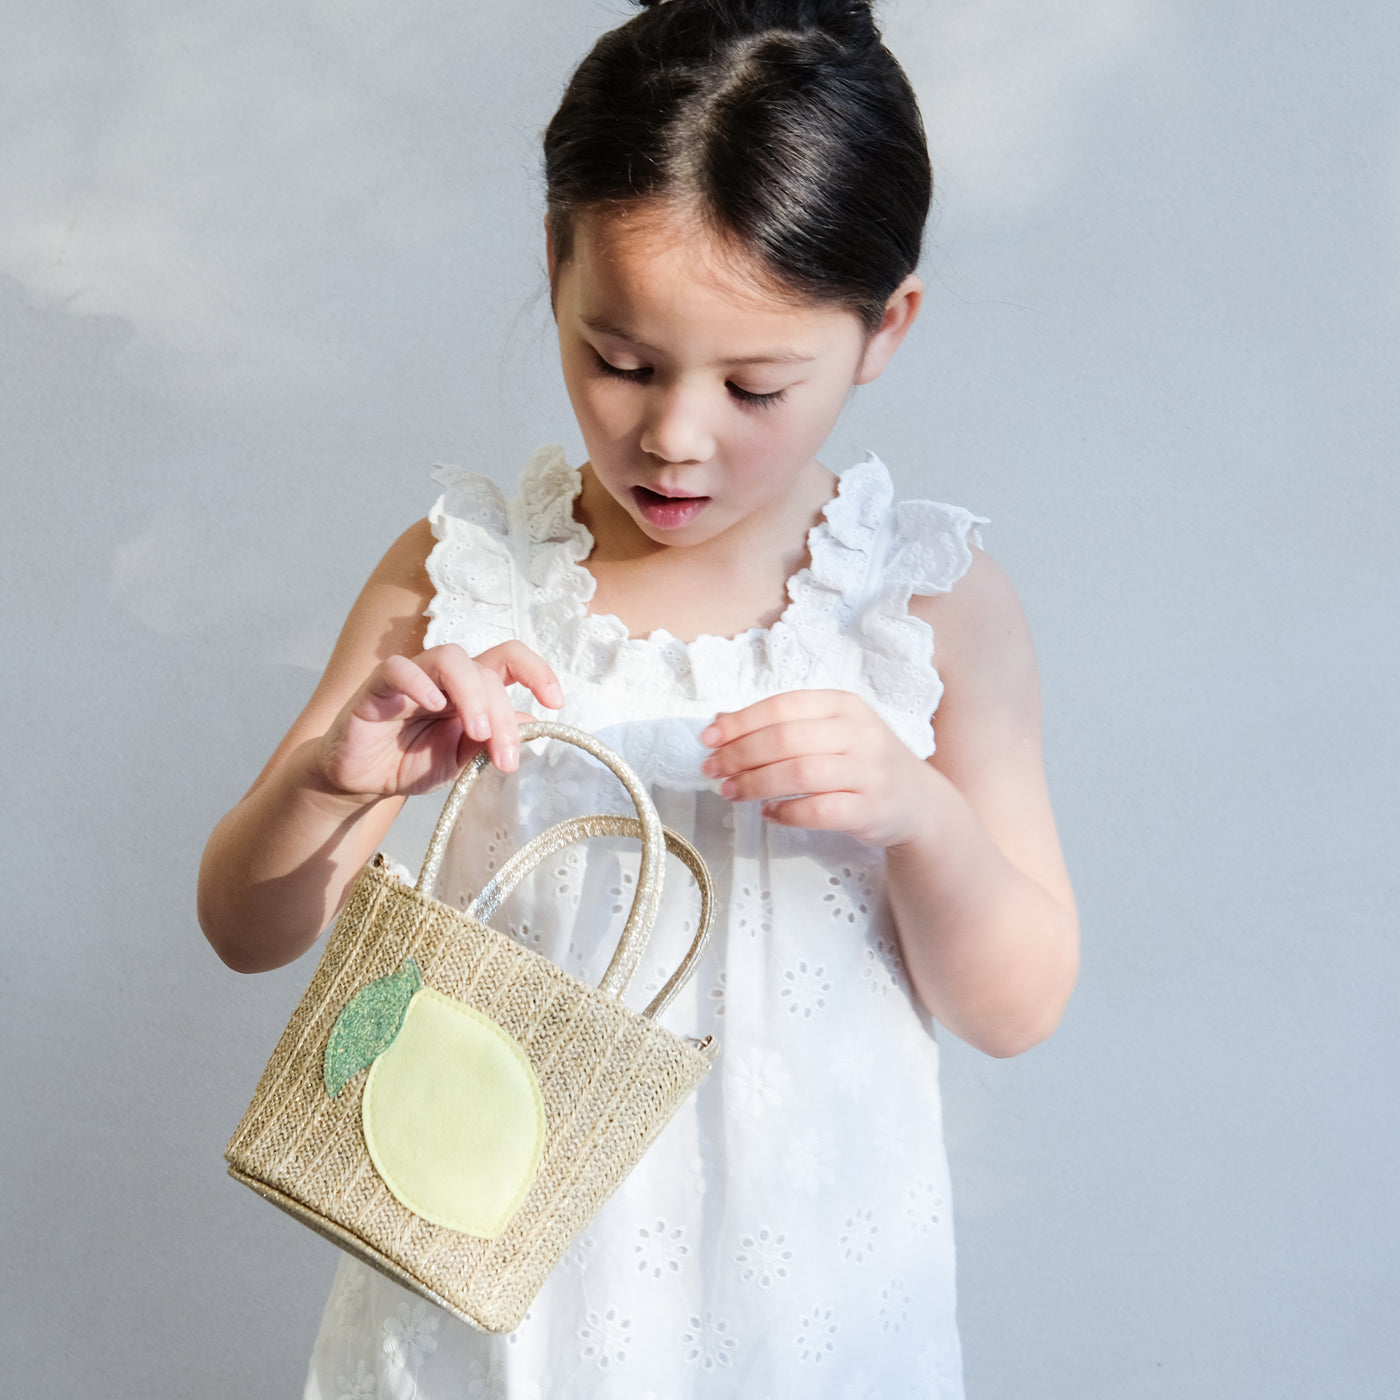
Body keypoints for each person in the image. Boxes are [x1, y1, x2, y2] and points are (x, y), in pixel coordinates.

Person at [199, 0, 1079, 1393]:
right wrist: (335, 782)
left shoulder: (918, 605)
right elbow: (245, 927)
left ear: (884, 328)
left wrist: (920, 816)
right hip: (491, 1297)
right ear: (554, 263)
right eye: (621, 362)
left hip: (807, 1307)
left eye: (756, 384)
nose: (674, 435)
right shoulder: (466, 572)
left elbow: (1018, 1003)